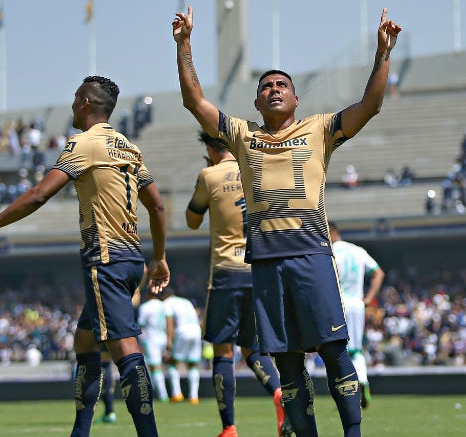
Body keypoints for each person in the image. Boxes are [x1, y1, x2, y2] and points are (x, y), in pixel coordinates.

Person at [172, 6, 401, 437]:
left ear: (296, 99)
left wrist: (382, 53)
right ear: (257, 102)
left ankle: (353, 432)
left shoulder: (320, 128)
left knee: (334, 351)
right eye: (266, 87)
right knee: (288, 360)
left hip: (311, 256)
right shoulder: (242, 135)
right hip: (265, 263)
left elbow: (370, 105)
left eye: (282, 85)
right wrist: (185, 45)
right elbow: (194, 102)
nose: (274, 89)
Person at [0, 75, 170, 437]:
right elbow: (156, 205)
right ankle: (80, 431)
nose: (73, 105)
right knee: (84, 340)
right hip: (131, 259)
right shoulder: (128, 146)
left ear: (86, 104)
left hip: (104, 256)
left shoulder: (84, 144)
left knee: (124, 345)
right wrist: (159, 257)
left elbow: (38, 194)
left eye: (76, 98)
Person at [186, 130, 292, 437]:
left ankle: (229, 428)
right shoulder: (256, 171)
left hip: (227, 271)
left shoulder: (209, 175)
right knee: (253, 348)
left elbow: (192, 221)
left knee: (223, 352)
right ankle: (276, 392)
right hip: (259, 270)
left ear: (210, 149)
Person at [328, 221, 385, 409]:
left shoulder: (330, 252)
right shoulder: (358, 250)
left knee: (338, 350)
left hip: (337, 304)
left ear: (331, 232)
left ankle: (347, 389)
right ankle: (362, 381)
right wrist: (368, 298)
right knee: (355, 350)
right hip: (357, 305)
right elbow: (378, 273)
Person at [161, 288, 202, 405]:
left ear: (165, 295)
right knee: (193, 364)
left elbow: (169, 321)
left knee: (172, 362)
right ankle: (194, 397)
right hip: (196, 331)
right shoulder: (186, 301)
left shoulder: (167, 303)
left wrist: (169, 340)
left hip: (183, 331)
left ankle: (176, 394)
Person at [138, 290, 171, 403]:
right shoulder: (164, 305)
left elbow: (141, 324)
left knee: (155, 367)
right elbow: (169, 322)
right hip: (163, 338)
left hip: (151, 339)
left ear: (148, 294)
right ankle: (149, 393)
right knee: (153, 366)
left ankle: (163, 395)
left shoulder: (145, 307)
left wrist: (140, 342)